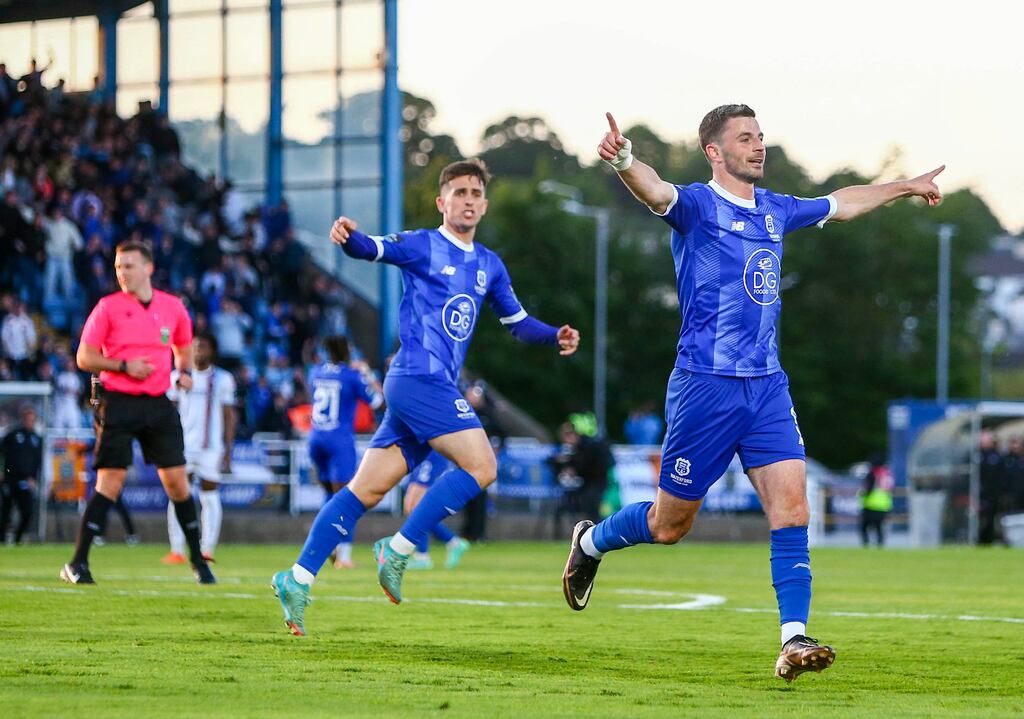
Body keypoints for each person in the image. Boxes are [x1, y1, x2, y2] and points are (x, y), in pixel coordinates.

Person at [562, 107, 944, 682]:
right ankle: (592, 543)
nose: (758, 146)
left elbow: (844, 202)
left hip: (766, 387)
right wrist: (623, 160)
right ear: (714, 152)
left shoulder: (777, 210)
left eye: (760, 136)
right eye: (745, 138)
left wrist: (905, 187)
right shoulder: (696, 205)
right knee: (670, 526)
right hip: (704, 388)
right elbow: (654, 190)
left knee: (792, 508)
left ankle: (793, 640)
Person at [272, 158, 580, 636]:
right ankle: (398, 549)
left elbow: (516, 323)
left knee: (365, 490)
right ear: (442, 202)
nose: (469, 201)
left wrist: (552, 335)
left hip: (424, 389)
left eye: (476, 193)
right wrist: (348, 236)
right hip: (418, 379)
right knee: (483, 467)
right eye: (460, 193)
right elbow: (371, 248)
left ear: (484, 203)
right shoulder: (421, 244)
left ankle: (297, 578)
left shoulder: (489, 265)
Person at [60, 239, 215, 585]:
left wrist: (184, 371)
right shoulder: (107, 308)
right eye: (118, 267)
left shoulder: (172, 307)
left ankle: (198, 561)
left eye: (128, 266)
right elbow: (84, 358)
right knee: (110, 482)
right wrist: (123, 365)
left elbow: (183, 345)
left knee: (176, 481)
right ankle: (77, 563)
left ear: (149, 268)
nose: (122, 273)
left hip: (158, 403)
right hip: (117, 400)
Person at [307, 335, 382, 569]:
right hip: (338, 441)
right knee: (348, 498)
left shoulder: (316, 372)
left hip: (315, 439)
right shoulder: (352, 376)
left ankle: (324, 545)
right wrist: (367, 373)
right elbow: (378, 401)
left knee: (329, 496)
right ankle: (344, 555)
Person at [163, 332, 236, 564]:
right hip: (182, 446)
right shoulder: (178, 377)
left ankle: (207, 549)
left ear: (212, 350)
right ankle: (177, 550)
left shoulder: (223, 379)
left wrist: (228, 449)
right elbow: (168, 411)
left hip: (211, 447)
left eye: (202, 347)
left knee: (209, 495)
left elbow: (228, 414)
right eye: (194, 347)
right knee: (177, 494)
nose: (197, 351)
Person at [402, 450, 472, 570]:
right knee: (412, 509)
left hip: (430, 456)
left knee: (416, 508)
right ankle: (452, 542)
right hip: (421, 455)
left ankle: (422, 556)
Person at [1, 406, 43, 544]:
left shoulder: (36, 439)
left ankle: (18, 539)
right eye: (27, 419)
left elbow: (38, 461)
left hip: (26, 481)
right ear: (23, 420)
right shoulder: (13, 435)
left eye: (32, 420)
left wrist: (34, 478)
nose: (29, 422)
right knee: (5, 511)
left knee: (27, 511)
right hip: (9, 478)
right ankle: (2, 540)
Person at [977, 432, 1005, 545]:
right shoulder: (975, 456)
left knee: (992, 518)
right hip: (979, 494)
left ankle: (989, 539)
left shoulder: (997, 456)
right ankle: (981, 539)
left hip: (993, 495)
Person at [859, 454, 893, 547]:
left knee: (865, 528)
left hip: (871, 504)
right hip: (884, 505)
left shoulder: (873, 473)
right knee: (879, 528)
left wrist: (862, 495)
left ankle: (866, 545)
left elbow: (867, 489)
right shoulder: (887, 474)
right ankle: (880, 546)